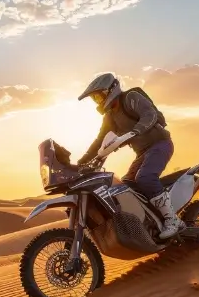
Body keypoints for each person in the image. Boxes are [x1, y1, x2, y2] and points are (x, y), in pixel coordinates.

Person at [76, 72, 185, 239]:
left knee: (146, 178)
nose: (98, 101)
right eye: (95, 98)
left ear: (110, 90)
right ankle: (151, 221)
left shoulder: (131, 98)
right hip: (143, 153)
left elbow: (149, 114)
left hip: (160, 144)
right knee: (126, 187)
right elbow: (100, 141)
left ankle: (172, 220)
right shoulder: (110, 116)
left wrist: (136, 131)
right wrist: (82, 161)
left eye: (99, 96)